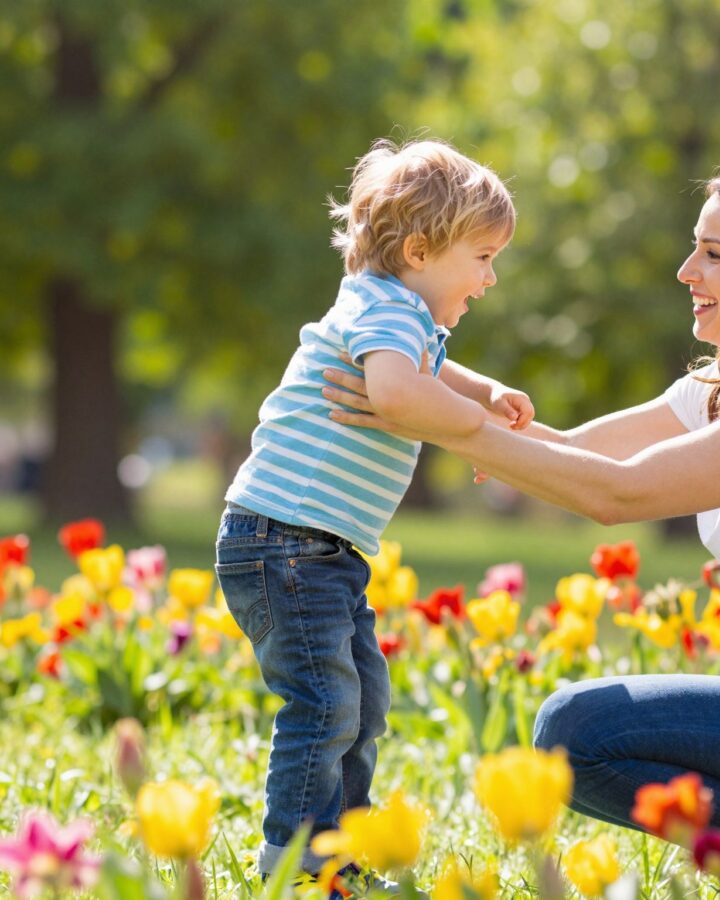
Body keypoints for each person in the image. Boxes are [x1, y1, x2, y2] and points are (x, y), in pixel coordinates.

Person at [321, 157, 720, 887]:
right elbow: (572, 452)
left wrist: (436, 422)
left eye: (714, 254)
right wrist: (430, 391)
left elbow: (618, 495)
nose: (685, 269)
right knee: (572, 736)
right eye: (695, 245)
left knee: (576, 732)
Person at [215, 138, 532, 885]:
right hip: (286, 541)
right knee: (327, 703)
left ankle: (339, 856)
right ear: (420, 251)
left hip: (315, 548)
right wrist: (476, 429)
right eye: (483, 258)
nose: (490, 279)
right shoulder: (380, 308)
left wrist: (480, 392)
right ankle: (295, 863)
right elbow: (397, 393)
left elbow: (429, 365)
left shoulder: (394, 312)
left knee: (359, 702)